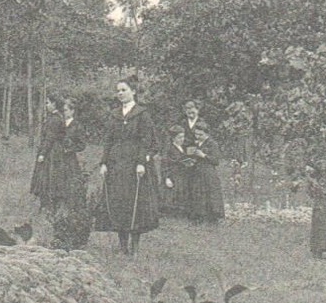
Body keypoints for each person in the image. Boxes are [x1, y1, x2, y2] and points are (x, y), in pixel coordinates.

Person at [95, 76, 161, 254]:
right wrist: (104, 163)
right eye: (118, 91)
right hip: (116, 165)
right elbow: (108, 140)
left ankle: (135, 246)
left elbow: (147, 141)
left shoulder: (142, 114)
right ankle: (122, 245)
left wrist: (141, 163)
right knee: (119, 202)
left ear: (133, 91)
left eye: (124, 90)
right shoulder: (114, 115)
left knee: (135, 203)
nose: (120, 93)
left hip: (134, 166)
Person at [30, 94, 86, 214]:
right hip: (57, 156)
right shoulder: (58, 120)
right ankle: (48, 206)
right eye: (64, 110)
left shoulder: (71, 124)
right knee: (51, 179)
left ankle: (63, 207)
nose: (65, 112)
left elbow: (80, 144)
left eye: (67, 110)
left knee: (63, 182)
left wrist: (69, 149)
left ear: (73, 111)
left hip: (67, 158)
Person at [176, 100, 225, 224]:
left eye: (192, 109)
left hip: (205, 166)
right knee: (194, 188)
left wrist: (202, 154)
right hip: (192, 156)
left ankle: (210, 215)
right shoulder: (183, 123)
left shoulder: (207, 135)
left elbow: (215, 159)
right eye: (187, 109)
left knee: (207, 191)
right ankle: (193, 213)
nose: (189, 112)